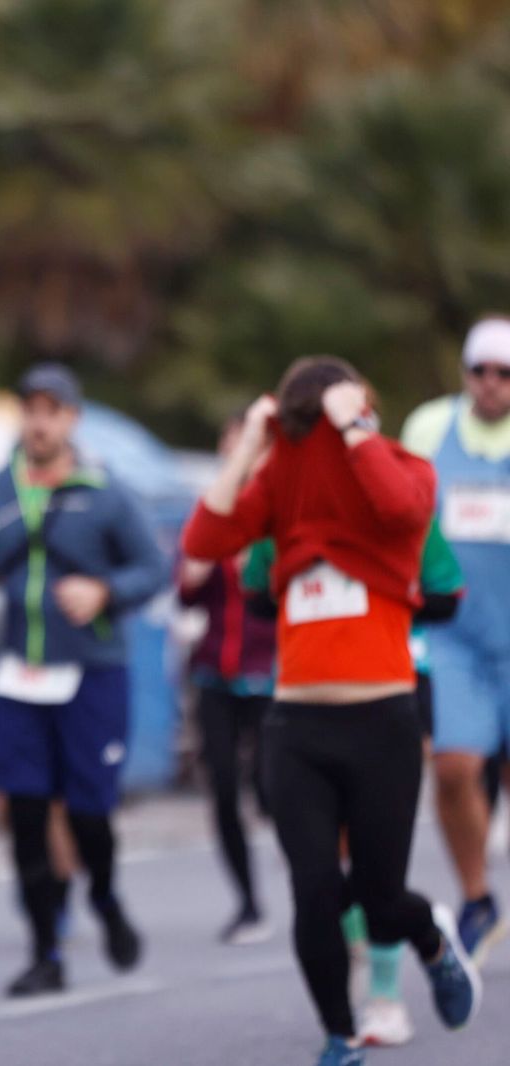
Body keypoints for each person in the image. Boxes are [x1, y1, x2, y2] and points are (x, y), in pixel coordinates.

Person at [183, 356, 480, 1066]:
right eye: (302, 423)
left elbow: (407, 510)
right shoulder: (280, 493)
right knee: (315, 891)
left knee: (379, 898)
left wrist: (357, 429)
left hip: (381, 719)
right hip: (299, 725)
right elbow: (202, 542)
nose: (310, 438)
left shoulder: (394, 481)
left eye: (324, 422)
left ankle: (430, 936)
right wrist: (252, 448)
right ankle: (339, 1036)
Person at [0, 362, 163, 998]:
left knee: (88, 814)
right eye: (31, 409)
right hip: (16, 674)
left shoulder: (107, 491)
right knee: (23, 815)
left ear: (72, 418)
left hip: (92, 674)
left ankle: (103, 897)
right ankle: (45, 949)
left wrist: (105, 590)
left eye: (53, 410)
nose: (40, 422)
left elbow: (154, 568)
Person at [241, 518, 463, 1049]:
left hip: (391, 688)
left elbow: (444, 598)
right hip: (305, 706)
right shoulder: (281, 507)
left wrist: (371, 585)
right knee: (317, 874)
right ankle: (342, 1019)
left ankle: (388, 989)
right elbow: (255, 596)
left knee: (376, 870)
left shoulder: (395, 498)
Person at [400, 316, 510, 964]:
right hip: (454, 634)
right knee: (452, 767)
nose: (492, 385)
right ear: (465, 375)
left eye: (505, 374)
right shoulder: (428, 428)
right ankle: (476, 896)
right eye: (481, 372)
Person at [176, 415, 278, 947]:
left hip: (269, 672)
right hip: (215, 669)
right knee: (221, 790)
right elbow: (185, 589)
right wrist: (198, 566)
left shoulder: (277, 512)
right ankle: (247, 902)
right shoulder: (211, 513)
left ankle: (318, 883)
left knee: (271, 786)